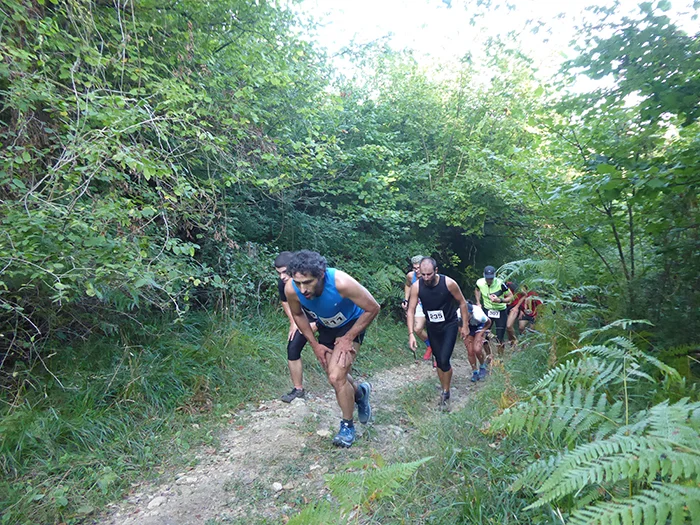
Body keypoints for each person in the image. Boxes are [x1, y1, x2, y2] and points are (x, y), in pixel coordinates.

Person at [285, 250, 379, 448]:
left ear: (321, 275)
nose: (303, 289)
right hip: (326, 327)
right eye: (298, 283)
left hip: (352, 324)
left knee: (336, 377)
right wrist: (315, 345)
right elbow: (298, 315)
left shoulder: (341, 283)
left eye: (308, 282)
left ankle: (347, 427)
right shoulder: (291, 289)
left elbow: (373, 308)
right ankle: (360, 394)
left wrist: (348, 338)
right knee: (334, 375)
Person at [407, 257, 469, 410]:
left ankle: (446, 392)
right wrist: (411, 333)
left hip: (449, 324)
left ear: (436, 271)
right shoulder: (417, 286)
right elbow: (411, 310)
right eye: (423, 274)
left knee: (444, 359)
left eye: (429, 274)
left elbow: (462, 302)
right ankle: (444, 388)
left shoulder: (448, 283)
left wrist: (465, 325)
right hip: (432, 326)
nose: (426, 278)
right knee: (439, 361)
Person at [274, 251, 317, 403]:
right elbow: (285, 302)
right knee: (292, 347)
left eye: (285, 272)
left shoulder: (311, 279)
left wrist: (316, 324)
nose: (282, 276)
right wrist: (293, 322)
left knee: (332, 350)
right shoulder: (283, 283)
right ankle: (298, 390)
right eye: (278, 273)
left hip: (325, 316)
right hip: (303, 317)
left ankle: (347, 385)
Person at [474, 265, 513, 355]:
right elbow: (477, 290)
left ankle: (500, 357)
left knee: (500, 337)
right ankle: (489, 356)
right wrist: (478, 302)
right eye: (487, 278)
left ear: (494, 276)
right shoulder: (479, 282)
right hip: (487, 310)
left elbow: (511, 296)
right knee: (484, 336)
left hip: (500, 311)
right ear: (484, 275)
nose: (489, 280)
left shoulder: (500, 283)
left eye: (491, 278)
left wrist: (500, 300)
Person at [402, 255, 433, 364]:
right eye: (414, 268)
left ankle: (439, 354)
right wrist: (406, 299)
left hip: (432, 305)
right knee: (417, 328)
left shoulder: (430, 276)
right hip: (419, 304)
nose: (417, 271)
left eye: (418, 268)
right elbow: (407, 285)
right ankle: (430, 345)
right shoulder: (411, 276)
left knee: (435, 328)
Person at [465, 301, 490, 382]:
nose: (465, 316)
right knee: (470, 351)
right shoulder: (458, 315)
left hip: (480, 325)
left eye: (467, 315)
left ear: (471, 313)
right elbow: (459, 326)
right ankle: (474, 371)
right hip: (468, 326)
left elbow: (488, 322)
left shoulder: (479, 315)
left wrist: (482, 331)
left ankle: (482, 366)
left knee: (477, 349)